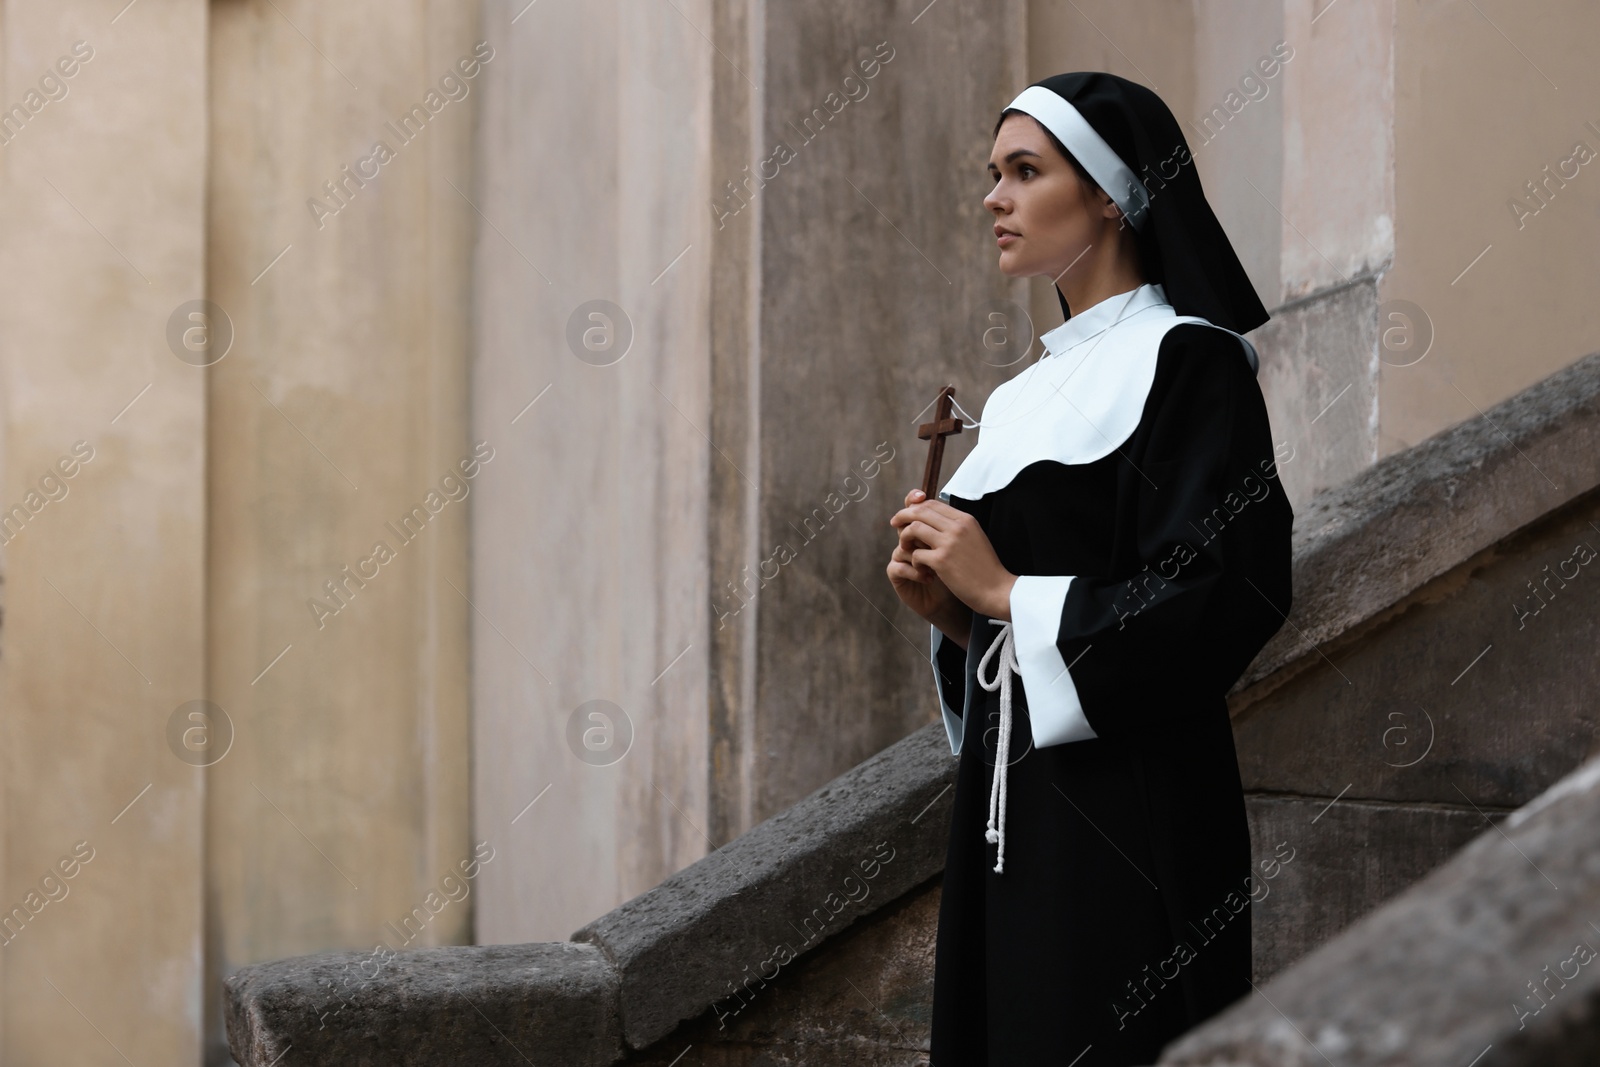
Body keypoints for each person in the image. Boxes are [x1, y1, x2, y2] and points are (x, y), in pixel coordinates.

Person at [886, 72, 1294, 1065]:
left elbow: (1226, 591)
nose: (995, 197)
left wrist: (1003, 594)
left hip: (1133, 820)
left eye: (1025, 171)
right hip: (1010, 822)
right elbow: (1010, 624)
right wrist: (956, 616)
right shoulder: (1021, 396)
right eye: (993, 174)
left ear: (1111, 193)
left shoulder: (1188, 362)